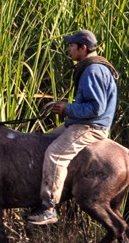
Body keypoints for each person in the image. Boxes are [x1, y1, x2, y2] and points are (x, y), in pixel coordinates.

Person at [27, 29, 119, 225]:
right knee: (44, 142)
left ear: (82, 48)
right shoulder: (94, 67)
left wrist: (67, 108)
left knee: (55, 154)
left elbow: (96, 108)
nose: (69, 49)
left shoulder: (93, 70)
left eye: (71, 46)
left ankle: (49, 208)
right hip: (82, 123)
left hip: (91, 127)